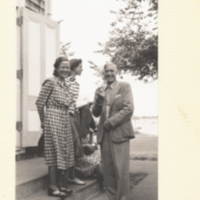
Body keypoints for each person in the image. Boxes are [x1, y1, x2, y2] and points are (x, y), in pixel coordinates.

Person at [92, 62, 135, 200]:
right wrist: (99, 99)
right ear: (103, 73)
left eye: (112, 71)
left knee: (121, 170)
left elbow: (129, 109)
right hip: (104, 136)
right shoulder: (99, 89)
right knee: (108, 171)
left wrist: (110, 122)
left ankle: (123, 198)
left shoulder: (124, 87)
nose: (109, 73)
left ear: (116, 72)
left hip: (119, 133)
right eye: (106, 71)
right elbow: (95, 112)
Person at [36, 57, 74, 198]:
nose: (65, 70)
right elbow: (40, 103)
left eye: (67, 67)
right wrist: (43, 121)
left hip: (64, 120)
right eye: (62, 67)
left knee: (65, 152)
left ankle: (61, 185)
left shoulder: (66, 84)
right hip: (52, 119)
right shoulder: (50, 82)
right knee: (54, 154)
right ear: (57, 68)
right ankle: (52, 187)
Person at [65, 58, 85, 185]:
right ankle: (69, 176)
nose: (82, 69)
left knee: (74, 145)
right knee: (74, 144)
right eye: (80, 67)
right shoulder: (65, 81)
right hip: (65, 116)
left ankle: (71, 175)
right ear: (73, 68)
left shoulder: (76, 84)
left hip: (73, 115)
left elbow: (74, 103)